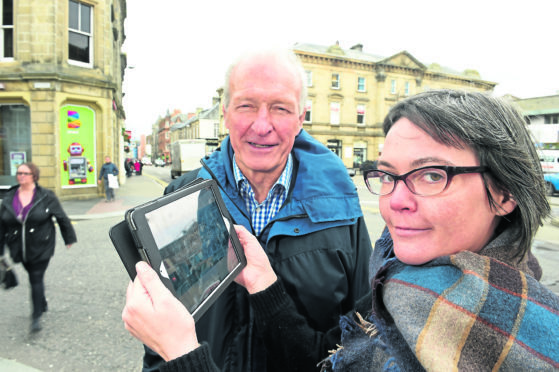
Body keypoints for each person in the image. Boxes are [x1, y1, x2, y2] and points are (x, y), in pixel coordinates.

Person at [123, 90, 559, 371]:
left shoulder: (492, 342)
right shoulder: (403, 284)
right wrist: (264, 283)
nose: (395, 201)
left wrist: (181, 353)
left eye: (431, 175)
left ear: (504, 193)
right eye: (387, 175)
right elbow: (323, 357)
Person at [127, 48, 373, 372]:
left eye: (280, 108)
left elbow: (361, 337)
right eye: (247, 106)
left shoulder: (341, 208)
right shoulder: (181, 198)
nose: (262, 125)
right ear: (226, 113)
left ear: (301, 119)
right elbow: (160, 342)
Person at [0, 162, 77, 332]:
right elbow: (2, 225)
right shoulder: (9, 196)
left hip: (41, 245)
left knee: (35, 277)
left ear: (34, 176)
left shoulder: (45, 196)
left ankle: (36, 316)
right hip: (19, 248)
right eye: (19, 173)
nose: (21, 176)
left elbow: (61, 217)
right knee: (33, 276)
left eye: (25, 173)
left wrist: (68, 237)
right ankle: (41, 300)